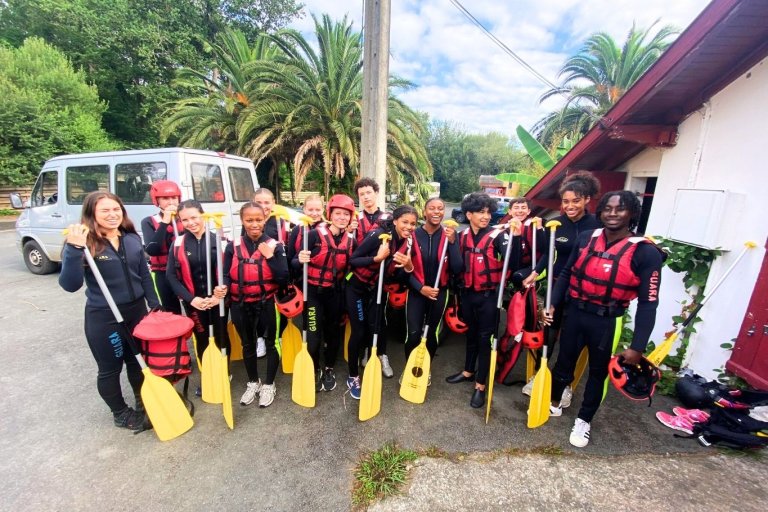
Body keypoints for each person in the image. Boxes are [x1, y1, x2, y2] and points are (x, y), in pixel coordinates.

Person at [542, 191, 664, 448]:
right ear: (600, 212)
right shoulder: (587, 238)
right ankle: (555, 402)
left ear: (632, 213)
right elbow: (567, 273)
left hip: (607, 321)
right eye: (608, 208)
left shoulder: (646, 252)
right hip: (575, 313)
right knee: (563, 364)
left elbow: (648, 304)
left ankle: (584, 419)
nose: (612, 213)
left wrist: (638, 347)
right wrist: (551, 303)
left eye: (620, 209)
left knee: (598, 374)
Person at [59, 191, 160, 430]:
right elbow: (70, 285)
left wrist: (154, 304)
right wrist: (74, 249)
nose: (112, 214)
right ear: (91, 214)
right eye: (105, 210)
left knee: (138, 362)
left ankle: (143, 400)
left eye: (116, 209)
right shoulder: (85, 243)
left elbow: (144, 274)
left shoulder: (131, 238)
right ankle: (120, 413)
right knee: (110, 369)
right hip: (105, 316)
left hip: (136, 312)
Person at [522, 171, 601, 398]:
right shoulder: (557, 224)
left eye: (576, 200)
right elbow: (549, 253)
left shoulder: (598, 225)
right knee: (549, 332)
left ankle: (564, 384)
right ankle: (540, 374)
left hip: (581, 291)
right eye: (566, 201)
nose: (570, 206)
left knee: (571, 340)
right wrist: (536, 272)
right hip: (557, 286)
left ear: (587, 199)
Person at [446, 193, 520, 409]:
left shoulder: (498, 235)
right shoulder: (461, 236)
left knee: (485, 339)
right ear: (469, 214)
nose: (486, 216)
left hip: (489, 297)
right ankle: (468, 371)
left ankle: (481, 385)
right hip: (468, 294)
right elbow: (457, 267)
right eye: (481, 212)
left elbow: (513, 262)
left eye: (488, 212)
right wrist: (452, 244)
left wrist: (515, 239)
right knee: (470, 335)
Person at [346, 205, 423, 398]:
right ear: (395, 221)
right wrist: (377, 258)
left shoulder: (407, 243)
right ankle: (353, 376)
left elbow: (399, 275)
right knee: (359, 331)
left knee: (376, 326)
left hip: (375, 290)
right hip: (356, 288)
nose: (409, 227)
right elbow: (353, 260)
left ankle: (374, 356)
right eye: (405, 222)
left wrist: (408, 266)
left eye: (413, 224)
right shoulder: (378, 235)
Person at [224, 202, 289, 408]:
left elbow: (284, 277)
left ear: (265, 219)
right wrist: (221, 288)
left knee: (271, 343)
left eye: (258, 220)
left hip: (267, 302)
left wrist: (270, 257)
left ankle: (269, 384)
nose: (254, 224)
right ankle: (253, 382)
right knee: (248, 344)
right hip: (240, 303)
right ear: (242, 221)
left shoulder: (275, 246)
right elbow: (226, 274)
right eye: (249, 220)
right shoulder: (232, 246)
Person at [294, 194, 357, 392]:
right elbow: (293, 263)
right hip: (313, 293)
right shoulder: (313, 235)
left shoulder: (351, 241)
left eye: (346, 214)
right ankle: (314, 369)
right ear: (330, 214)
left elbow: (353, 269)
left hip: (334, 294)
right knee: (313, 336)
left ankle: (329, 368)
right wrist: (299, 259)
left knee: (333, 332)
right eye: (338, 213)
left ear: (351, 217)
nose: (342, 218)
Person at [165, 200, 228, 396]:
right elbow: (171, 276)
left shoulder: (219, 240)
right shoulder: (178, 243)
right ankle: (208, 375)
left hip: (218, 300)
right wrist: (191, 299)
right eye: (185, 220)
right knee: (201, 338)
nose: (190, 223)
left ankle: (224, 373)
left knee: (221, 336)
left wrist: (219, 294)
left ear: (203, 214)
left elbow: (229, 272)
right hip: (194, 302)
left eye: (194, 217)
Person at [403, 198, 462, 382]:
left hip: (439, 292)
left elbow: (457, 268)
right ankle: (409, 368)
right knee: (413, 334)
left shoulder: (449, 235)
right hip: (416, 292)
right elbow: (403, 271)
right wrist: (420, 288)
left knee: (431, 334)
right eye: (432, 208)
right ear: (424, 212)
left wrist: (453, 243)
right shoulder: (412, 235)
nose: (436, 212)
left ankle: (425, 369)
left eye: (440, 208)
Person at [141, 180, 183, 314]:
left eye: (174, 198)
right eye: (165, 198)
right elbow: (152, 250)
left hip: (185, 270)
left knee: (193, 307)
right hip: (163, 272)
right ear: (157, 200)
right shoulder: (149, 221)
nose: (171, 202)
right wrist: (165, 222)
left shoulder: (186, 219)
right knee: (171, 311)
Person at [352, 177, 385, 245]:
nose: (366, 197)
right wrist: (349, 231)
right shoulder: (354, 219)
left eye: (368, 193)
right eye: (362, 194)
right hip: (360, 251)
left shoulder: (387, 218)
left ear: (376, 193)